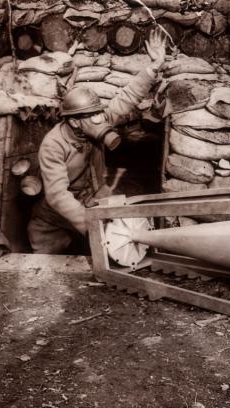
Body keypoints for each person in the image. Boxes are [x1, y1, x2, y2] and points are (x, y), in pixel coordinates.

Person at [27, 29, 167, 254]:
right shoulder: (53, 144)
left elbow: (126, 98)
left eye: (98, 113)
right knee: (50, 272)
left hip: (92, 199)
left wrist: (154, 65)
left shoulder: (95, 122)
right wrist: (93, 227)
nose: (98, 120)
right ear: (73, 122)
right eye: (90, 116)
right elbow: (57, 195)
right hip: (55, 217)